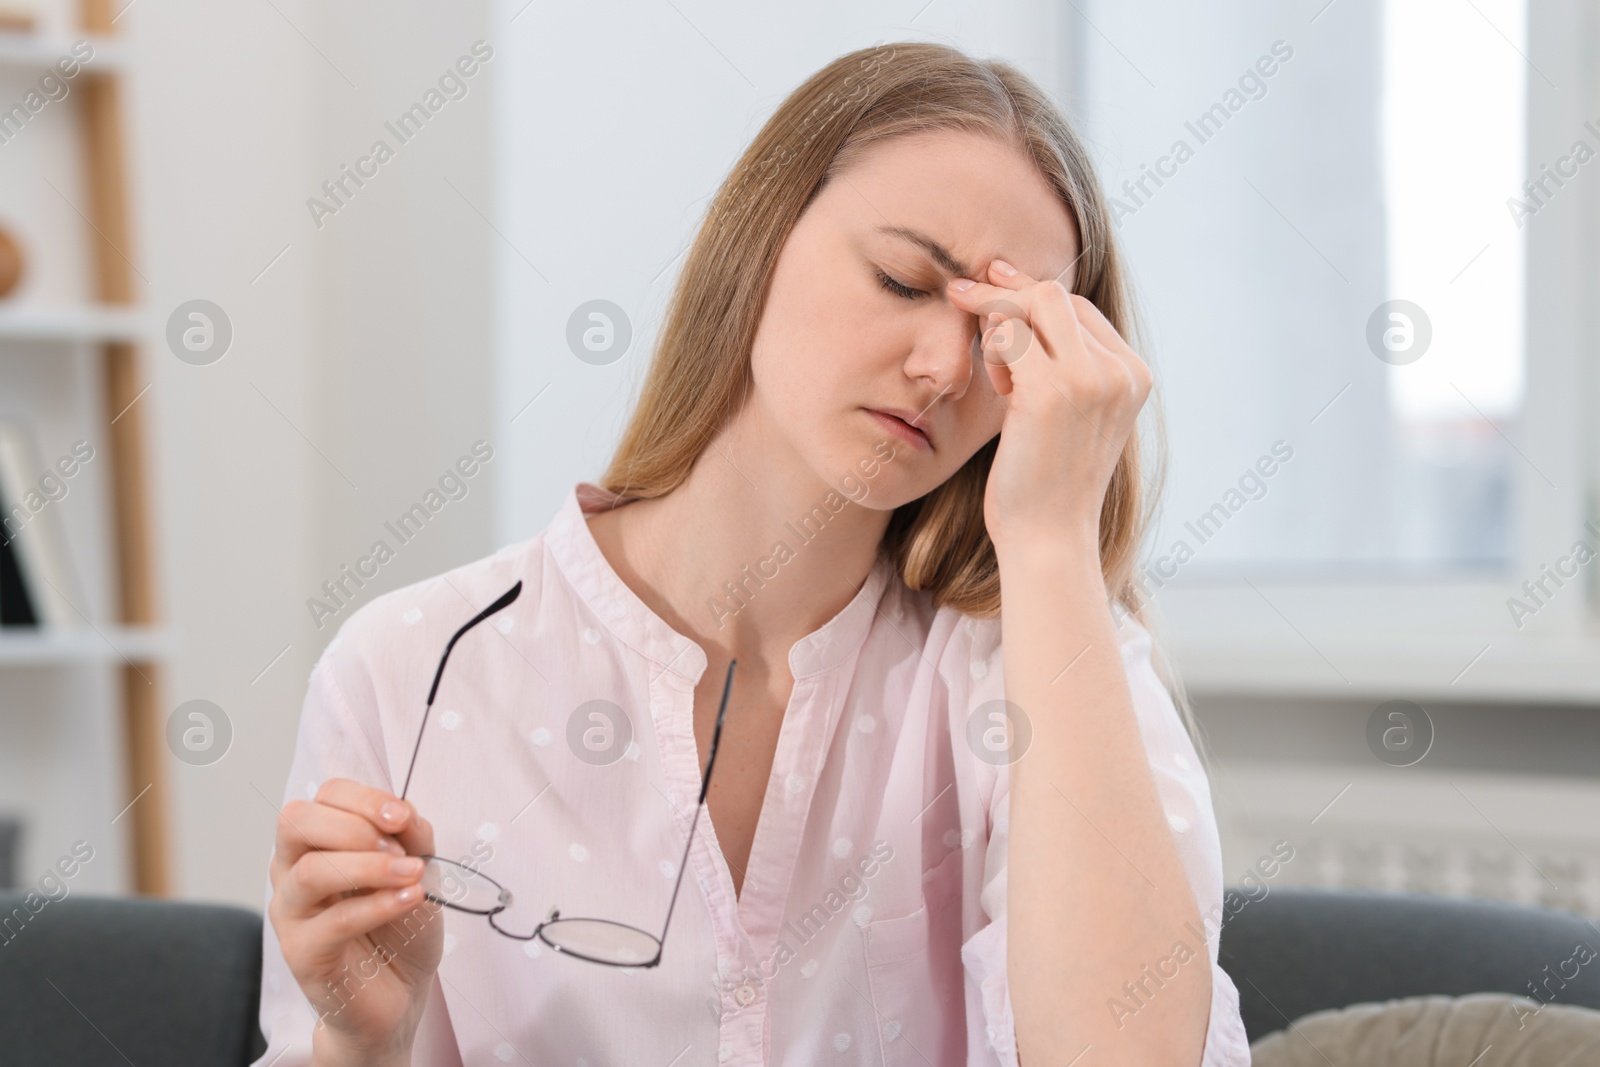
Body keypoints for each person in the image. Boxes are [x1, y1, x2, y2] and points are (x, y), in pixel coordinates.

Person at [254, 40, 1251, 1067]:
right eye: (904, 279)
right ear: (758, 238)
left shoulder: (1042, 659)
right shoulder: (412, 664)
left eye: (1002, 339)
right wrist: (358, 1043)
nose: (944, 367)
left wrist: (1049, 542)